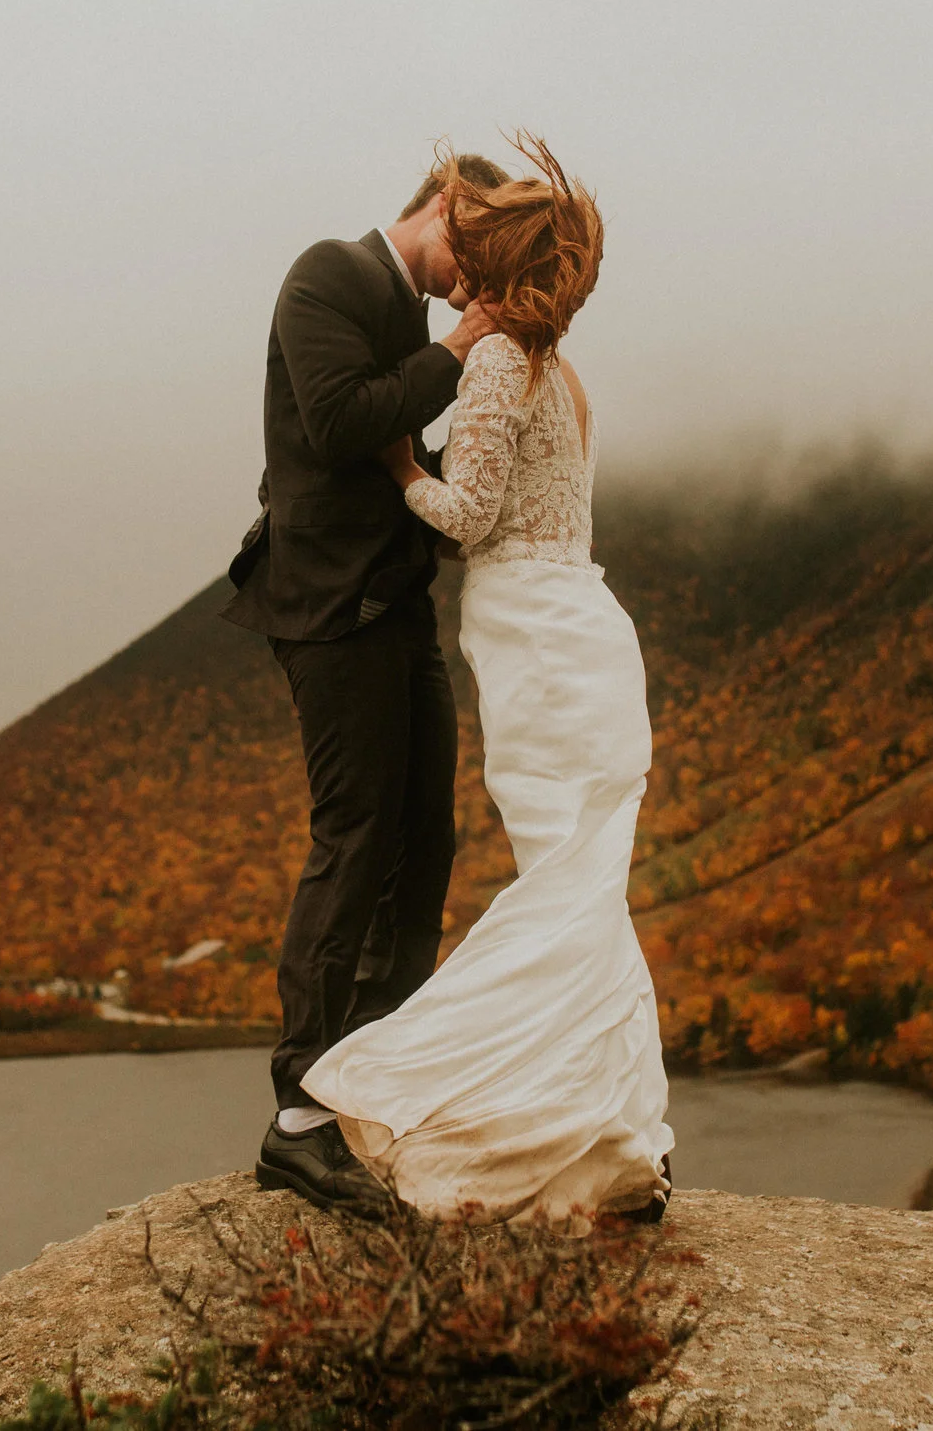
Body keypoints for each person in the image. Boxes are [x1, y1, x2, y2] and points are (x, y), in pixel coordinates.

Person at [301, 135, 674, 1228]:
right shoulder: (564, 373)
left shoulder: (502, 360)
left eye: (475, 257)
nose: (457, 275)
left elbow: (468, 519)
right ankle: (610, 1132)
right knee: (582, 888)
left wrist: (400, 464)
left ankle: (419, 1094)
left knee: (561, 887)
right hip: (586, 629)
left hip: (533, 640)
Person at [221, 151, 512, 1213]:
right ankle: (298, 1114)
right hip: (329, 612)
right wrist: (460, 347)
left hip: (398, 611)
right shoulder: (329, 275)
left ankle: (373, 1081)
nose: (474, 283)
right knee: (351, 841)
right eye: (473, 253)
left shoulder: (406, 309)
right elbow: (344, 420)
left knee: (422, 843)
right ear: (443, 205)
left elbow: (404, 448)